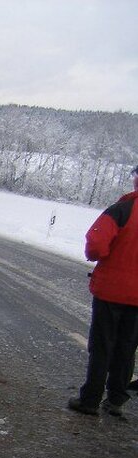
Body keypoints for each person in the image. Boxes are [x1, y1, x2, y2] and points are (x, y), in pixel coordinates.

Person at [68, 164, 138, 416]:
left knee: (102, 345)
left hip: (111, 292)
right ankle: (116, 400)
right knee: (127, 346)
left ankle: (90, 400)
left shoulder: (123, 209)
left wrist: (102, 256)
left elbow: (96, 244)